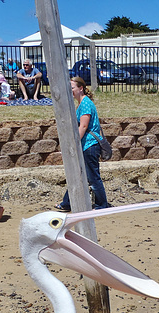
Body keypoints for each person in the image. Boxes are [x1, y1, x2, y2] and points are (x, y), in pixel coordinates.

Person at [55, 76, 110, 212]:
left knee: (92, 177)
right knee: (79, 175)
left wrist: (73, 145)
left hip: (89, 146)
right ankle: (67, 203)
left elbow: (83, 126)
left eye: (72, 88)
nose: (70, 91)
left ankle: (102, 205)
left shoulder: (85, 104)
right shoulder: (82, 103)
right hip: (85, 145)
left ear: (80, 88)